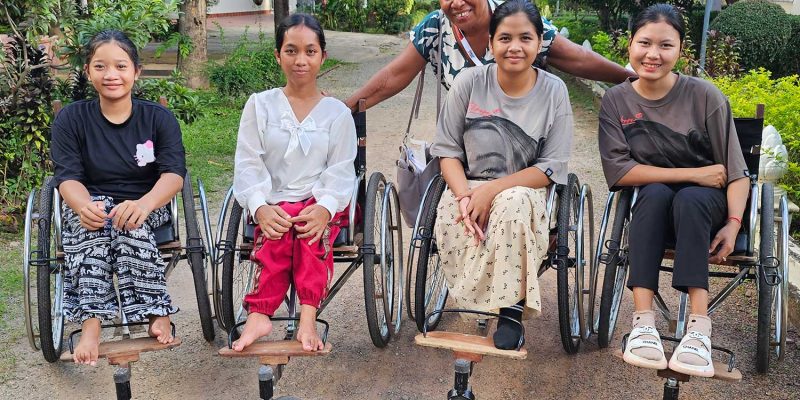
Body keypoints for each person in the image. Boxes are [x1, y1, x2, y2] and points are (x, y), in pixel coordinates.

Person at [598, 4, 749, 378]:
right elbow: (620, 171)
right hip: (656, 206)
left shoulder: (705, 96)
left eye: (665, 45)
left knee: (690, 197)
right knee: (655, 191)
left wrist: (732, 224)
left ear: (681, 49)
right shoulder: (616, 101)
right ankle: (643, 322)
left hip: (706, 208)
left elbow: (736, 172)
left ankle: (699, 327)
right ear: (629, 45)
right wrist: (695, 173)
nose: (653, 54)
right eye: (644, 43)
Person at [430, 0, 573, 350]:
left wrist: (492, 190)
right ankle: (473, 304)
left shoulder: (554, 91)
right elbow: (446, 151)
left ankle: (509, 311)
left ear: (540, 42)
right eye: (505, 38)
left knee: (513, 201)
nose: (514, 47)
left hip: (526, 191)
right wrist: (466, 196)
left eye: (525, 38)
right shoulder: (469, 83)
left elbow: (551, 167)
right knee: (458, 217)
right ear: (491, 43)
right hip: (466, 186)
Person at [51, 30, 185, 365]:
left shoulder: (157, 118)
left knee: (128, 222)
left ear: (136, 72)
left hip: (146, 203)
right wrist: (83, 206)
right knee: (95, 226)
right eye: (101, 66)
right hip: (89, 204)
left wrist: (143, 204)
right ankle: (93, 324)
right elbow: (67, 177)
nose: (111, 75)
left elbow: (173, 175)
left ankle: (155, 313)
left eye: (121, 66)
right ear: (88, 71)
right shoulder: (72, 119)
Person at [231, 13, 357, 352]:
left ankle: (307, 317)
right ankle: (259, 315)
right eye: (291, 50)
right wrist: (258, 206)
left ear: (322, 57)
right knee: (278, 227)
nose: (300, 60)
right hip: (272, 202)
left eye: (310, 51)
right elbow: (247, 162)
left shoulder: (337, 114)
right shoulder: (260, 105)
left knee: (308, 230)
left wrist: (324, 208)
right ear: (278, 55)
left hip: (319, 202)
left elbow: (343, 169)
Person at [345, 0, 634, 111]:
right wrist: (345, 110)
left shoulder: (515, 18)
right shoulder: (435, 27)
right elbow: (394, 75)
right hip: (464, 137)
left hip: (524, 130)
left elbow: (578, 58)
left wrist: (631, 77)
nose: (457, 3)